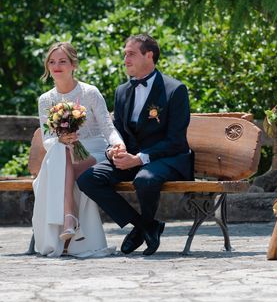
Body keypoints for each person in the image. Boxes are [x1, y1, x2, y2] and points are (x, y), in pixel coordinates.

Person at [78, 34, 192, 256]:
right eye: (124, 54)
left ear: (149, 55)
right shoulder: (122, 91)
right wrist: (113, 150)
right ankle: (145, 226)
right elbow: (116, 129)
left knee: (145, 180)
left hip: (166, 159)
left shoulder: (175, 90)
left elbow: (176, 141)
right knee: (88, 179)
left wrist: (139, 158)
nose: (126, 59)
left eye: (131, 54)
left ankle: (144, 227)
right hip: (130, 158)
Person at [33, 42, 122, 257]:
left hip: (93, 151)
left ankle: (68, 219)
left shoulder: (90, 92)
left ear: (74, 65)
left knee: (61, 160)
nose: (57, 66)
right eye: (52, 62)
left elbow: (107, 127)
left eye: (62, 61)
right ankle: (70, 219)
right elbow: (47, 140)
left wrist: (119, 144)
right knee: (61, 151)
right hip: (62, 151)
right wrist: (63, 139)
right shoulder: (46, 100)